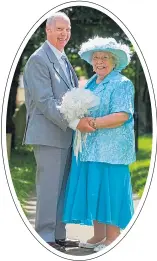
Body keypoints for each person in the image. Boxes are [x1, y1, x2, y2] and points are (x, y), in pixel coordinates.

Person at [22, 12, 95, 251]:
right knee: (49, 186)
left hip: (65, 135)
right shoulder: (38, 59)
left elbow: (71, 96)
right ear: (47, 30)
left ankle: (59, 235)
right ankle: (44, 236)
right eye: (59, 29)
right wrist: (75, 123)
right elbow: (45, 100)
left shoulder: (63, 58)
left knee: (63, 187)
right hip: (48, 134)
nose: (64, 34)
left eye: (68, 29)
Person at [63, 37, 136, 252]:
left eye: (104, 57)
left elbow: (122, 115)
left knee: (111, 191)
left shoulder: (122, 83)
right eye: (96, 58)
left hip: (113, 148)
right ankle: (98, 235)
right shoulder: (93, 82)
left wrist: (92, 122)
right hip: (91, 147)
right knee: (95, 188)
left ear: (114, 61)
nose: (99, 61)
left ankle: (112, 238)